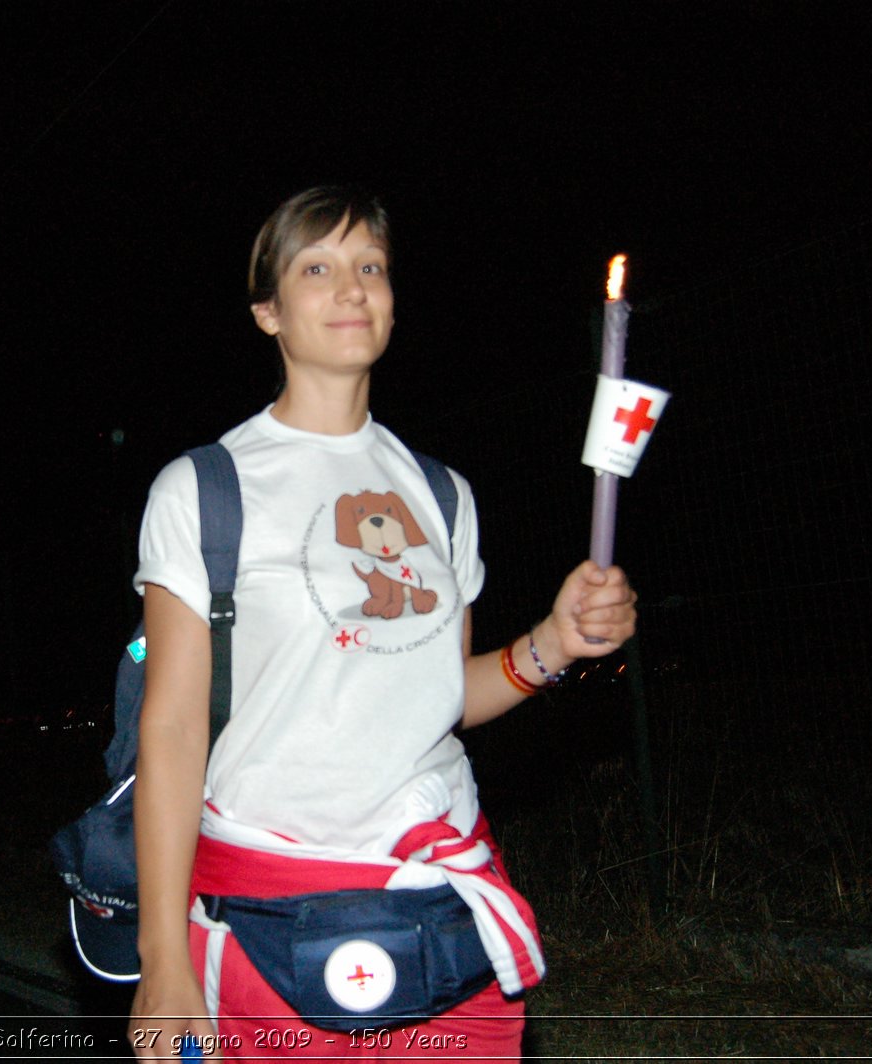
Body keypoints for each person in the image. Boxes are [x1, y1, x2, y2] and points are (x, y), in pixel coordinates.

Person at [127, 187, 638, 1059]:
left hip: (441, 900)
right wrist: (162, 958)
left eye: (371, 268)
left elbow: (443, 698)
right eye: (317, 269)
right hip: (267, 913)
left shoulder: (441, 495)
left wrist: (553, 644)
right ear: (268, 313)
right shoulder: (206, 488)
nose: (353, 289)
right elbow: (171, 728)